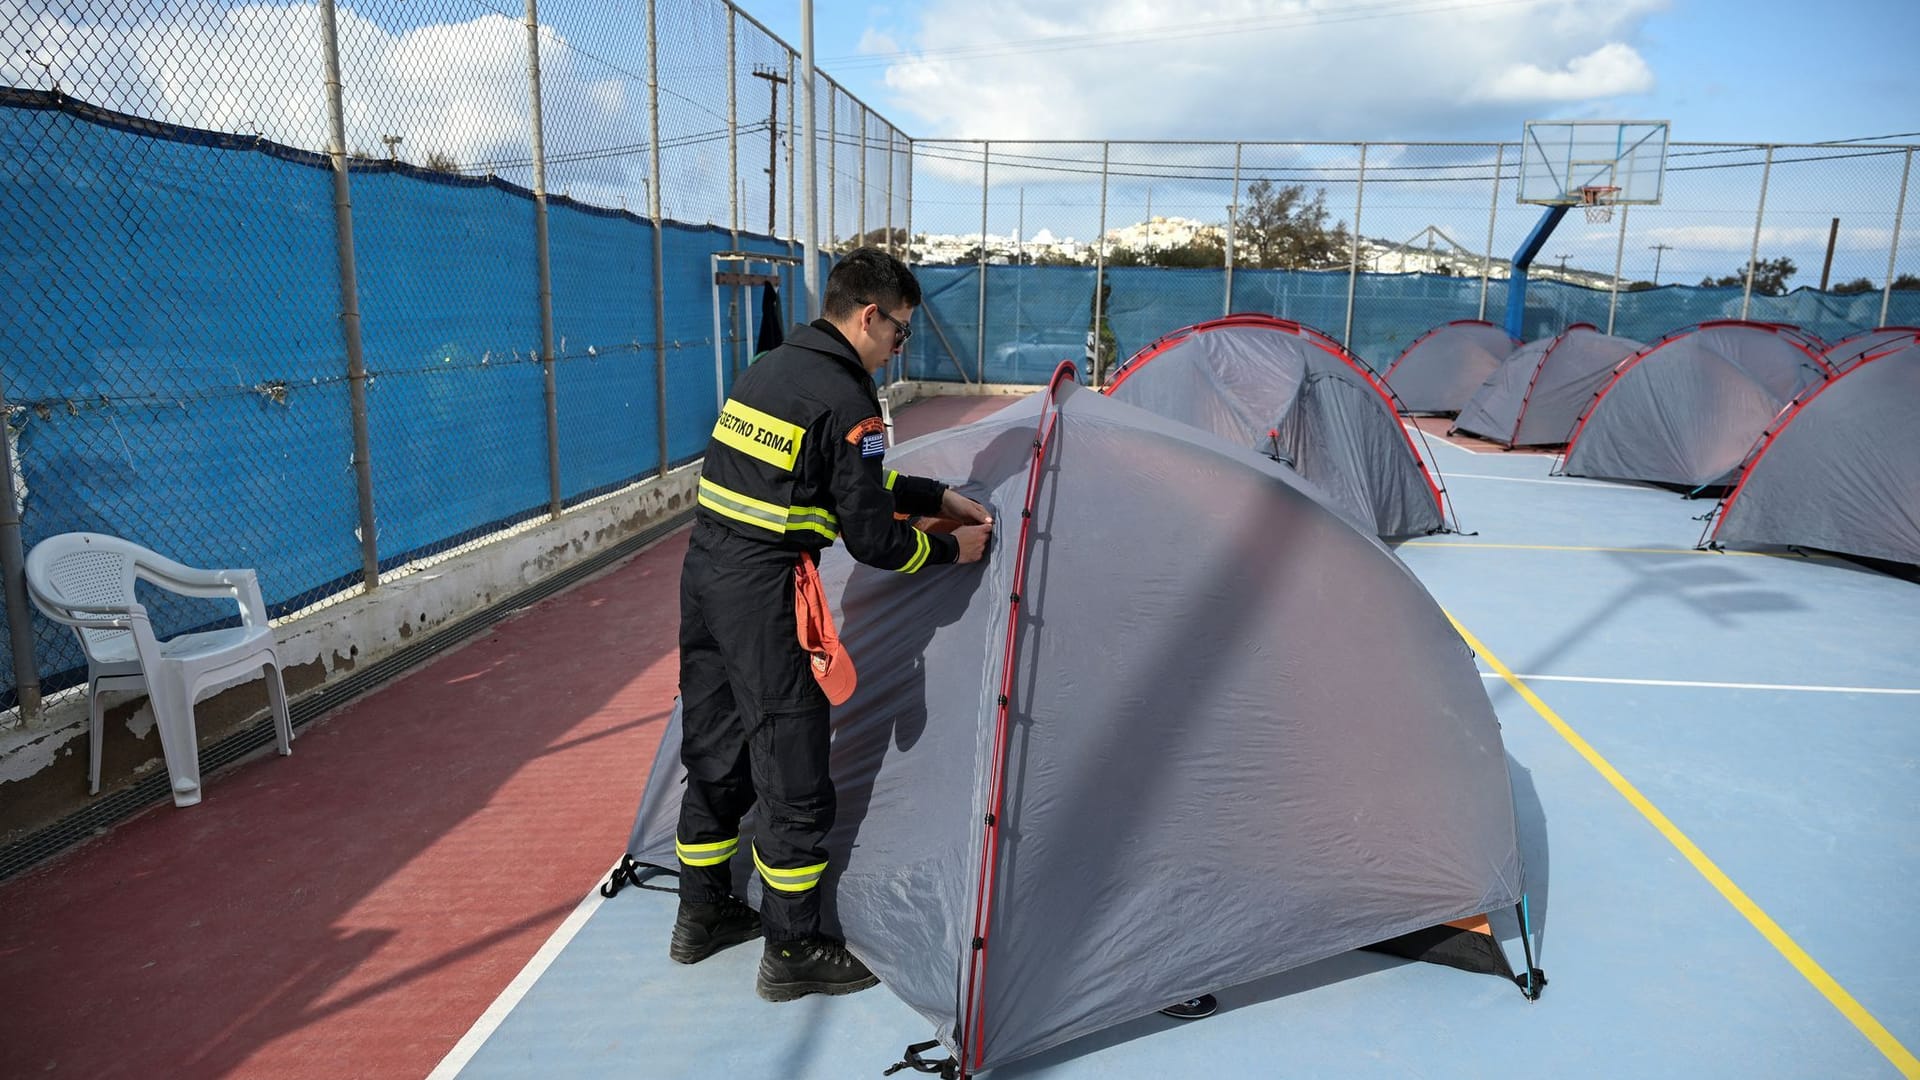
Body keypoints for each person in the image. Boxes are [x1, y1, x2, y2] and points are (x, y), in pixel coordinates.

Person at [669, 246, 995, 1003]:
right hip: (766, 596)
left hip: (706, 578)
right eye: (901, 333)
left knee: (715, 751)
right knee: (795, 773)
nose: (897, 349)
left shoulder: (769, 370)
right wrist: (952, 546)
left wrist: (935, 492)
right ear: (869, 316)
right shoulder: (850, 401)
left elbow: (841, 479)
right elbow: (874, 539)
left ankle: (700, 915)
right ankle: (793, 948)